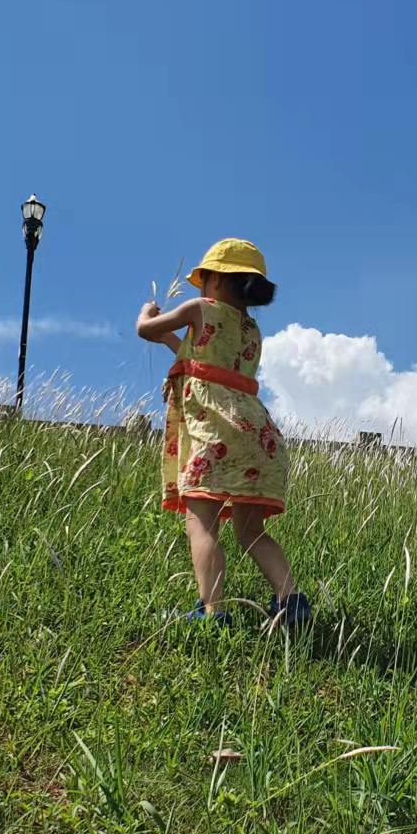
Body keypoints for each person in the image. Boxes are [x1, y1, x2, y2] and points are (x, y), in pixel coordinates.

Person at [135, 238, 310, 630]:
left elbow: (145, 329)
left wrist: (147, 315)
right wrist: (172, 342)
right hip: (258, 434)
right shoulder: (251, 331)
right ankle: (291, 600)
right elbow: (207, 362)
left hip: (216, 434)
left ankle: (212, 613)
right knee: (250, 530)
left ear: (214, 279)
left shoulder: (199, 308)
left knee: (202, 522)